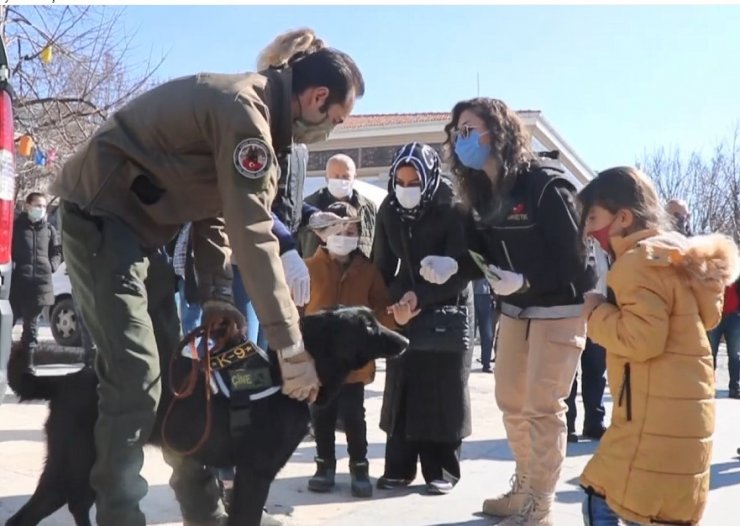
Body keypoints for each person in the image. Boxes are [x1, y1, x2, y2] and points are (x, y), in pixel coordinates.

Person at [49, 27, 364, 526]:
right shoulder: (247, 115)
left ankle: (205, 513)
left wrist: (219, 295)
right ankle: (119, 515)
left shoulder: (257, 114)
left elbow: (214, 212)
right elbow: (252, 230)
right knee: (134, 379)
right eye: (336, 119)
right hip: (99, 217)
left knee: (179, 382)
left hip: (139, 234)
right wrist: (289, 344)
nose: (331, 131)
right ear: (317, 97)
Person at [419, 98, 595, 525]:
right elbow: (477, 253)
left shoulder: (545, 183)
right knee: (511, 400)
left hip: (560, 306)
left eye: (468, 130)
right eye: (456, 132)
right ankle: (524, 485)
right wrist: (452, 267)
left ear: (497, 132)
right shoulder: (480, 192)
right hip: (516, 309)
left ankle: (540, 503)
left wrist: (527, 280)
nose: (460, 140)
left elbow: (576, 260)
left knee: (543, 404)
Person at [577, 166, 738, 526]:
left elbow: (642, 340)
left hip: (651, 421)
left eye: (593, 217)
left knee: (600, 493)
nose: (588, 229)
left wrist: (595, 313)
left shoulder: (637, 264)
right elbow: (708, 318)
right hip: (685, 418)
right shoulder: (678, 258)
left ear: (622, 218)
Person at [373, 142, 473, 496]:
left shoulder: (453, 208)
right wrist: (389, 306)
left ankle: (442, 468)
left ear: (429, 177)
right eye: (400, 181)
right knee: (402, 383)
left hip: (448, 300)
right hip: (405, 303)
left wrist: (425, 295)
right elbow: (381, 267)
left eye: (414, 181)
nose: (406, 188)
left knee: (443, 388)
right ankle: (398, 467)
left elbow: (464, 268)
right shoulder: (389, 208)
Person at [303, 201, 395, 498]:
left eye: (351, 229)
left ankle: (359, 466)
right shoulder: (307, 268)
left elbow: (381, 309)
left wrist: (395, 317)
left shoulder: (368, 271)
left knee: (355, 414)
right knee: (322, 414)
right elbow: (295, 311)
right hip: (319, 364)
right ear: (321, 234)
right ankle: (324, 465)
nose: (345, 234)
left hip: (355, 362)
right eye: (338, 229)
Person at [565, 242, 609, 443]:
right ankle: (566, 423)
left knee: (596, 371)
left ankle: (594, 422)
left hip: (599, 312)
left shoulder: (604, 241)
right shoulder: (569, 230)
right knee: (568, 371)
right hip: (570, 310)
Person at [297, 153, 377, 258]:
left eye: (345, 176)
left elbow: (376, 246)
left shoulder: (368, 208)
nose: (341, 180)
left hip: (359, 271)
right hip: (316, 271)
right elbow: (296, 244)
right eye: (336, 176)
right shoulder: (308, 206)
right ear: (326, 177)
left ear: (354, 177)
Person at [11, 192, 62, 348]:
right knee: (6, 324)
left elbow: (57, 251)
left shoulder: (48, 230)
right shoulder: (16, 227)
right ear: (28, 206)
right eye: (37, 205)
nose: (41, 209)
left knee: (31, 330)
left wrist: (51, 265)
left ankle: (27, 368)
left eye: (44, 206)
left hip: (40, 286)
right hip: (18, 285)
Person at [708, 278, 739, 398]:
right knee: (710, 354)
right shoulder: (712, 269)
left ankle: (735, 388)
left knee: (735, 355)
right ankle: (708, 387)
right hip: (714, 314)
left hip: (734, 316)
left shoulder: (735, 269)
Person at [172, 223, 203, 336]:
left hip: (195, 276)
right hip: (185, 274)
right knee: (191, 323)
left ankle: (194, 352)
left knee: (192, 324)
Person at [473, 278, 497, 372]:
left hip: (485, 295)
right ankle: (463, 361)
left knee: (487, 333)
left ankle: (486, 363)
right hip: (471, 293)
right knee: (469, 333)